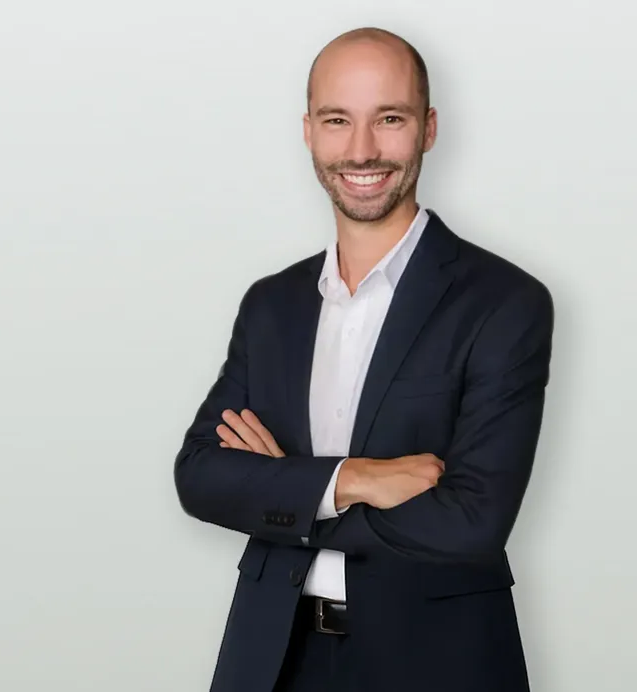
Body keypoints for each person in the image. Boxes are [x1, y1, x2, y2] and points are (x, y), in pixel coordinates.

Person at [174, 26, 554, 692]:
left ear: (428, 128)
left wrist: (283, 488)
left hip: (436, 663)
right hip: (272, 659)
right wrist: (352, 478)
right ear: (308, 132)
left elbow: (472, 523)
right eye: (337, 120)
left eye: (389, 119)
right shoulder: (272, 305)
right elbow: (200, 475)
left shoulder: (504, 302)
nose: (361, 149)